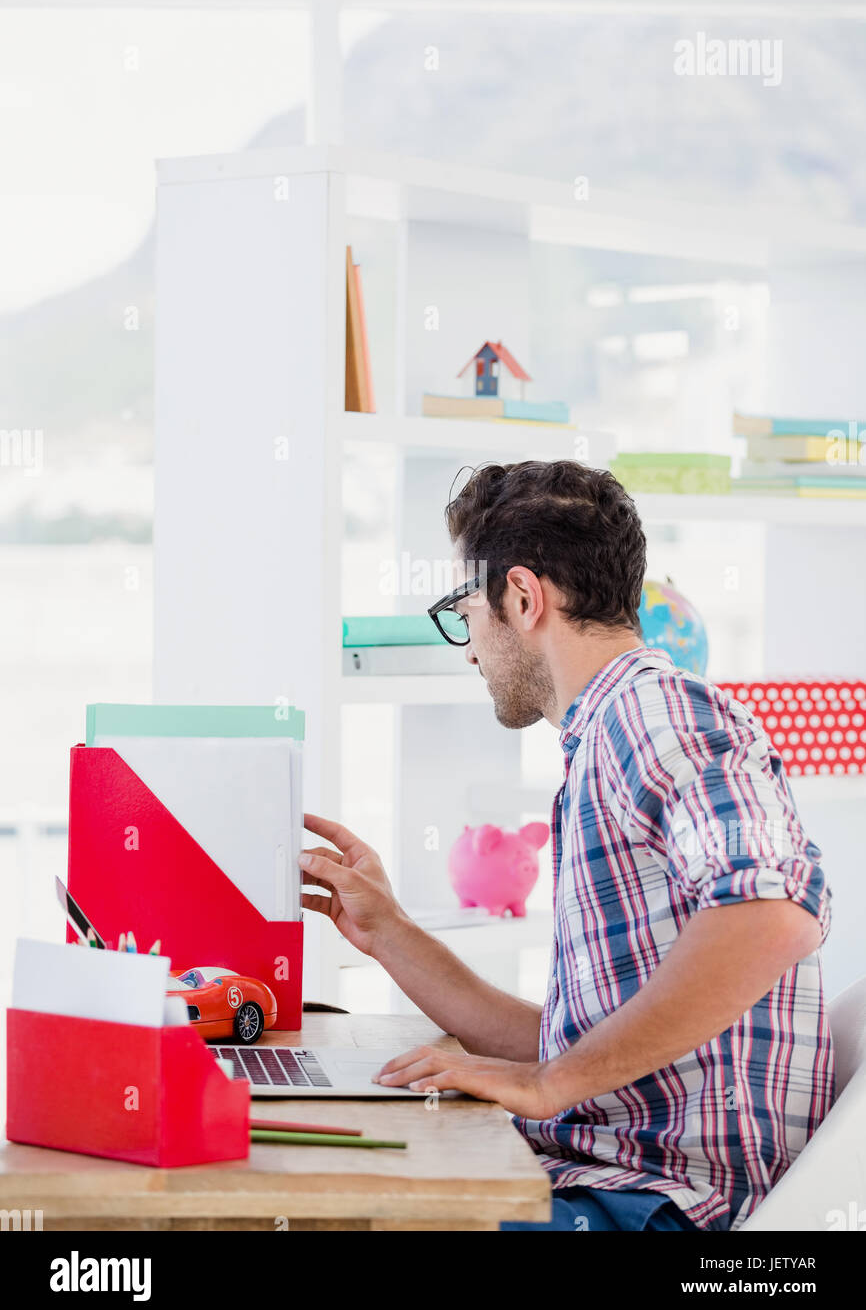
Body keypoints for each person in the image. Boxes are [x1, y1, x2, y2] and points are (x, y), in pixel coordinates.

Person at [301, 460, 834, 1232]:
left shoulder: (654, 713)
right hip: (605, 1179)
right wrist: (388, 933)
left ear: (521, 598)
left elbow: (772, 916)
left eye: (464, 610)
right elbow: (569, 1048)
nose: (468, 647)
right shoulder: (613, 731)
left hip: (657, 1206)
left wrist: (552, 1085)